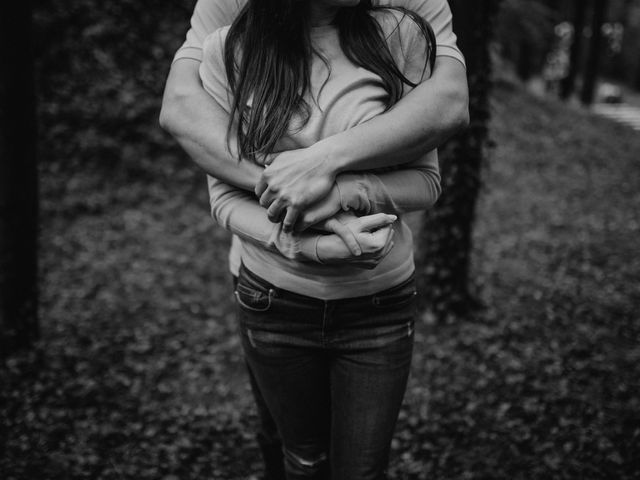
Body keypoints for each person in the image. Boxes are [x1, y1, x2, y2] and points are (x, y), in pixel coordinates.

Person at [160, 1, 468, 478]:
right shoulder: (228, 48)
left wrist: (341, 188)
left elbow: (427, 179)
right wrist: (311, 244)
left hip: (379, 307)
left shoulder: (403, 35)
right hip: (273, 301)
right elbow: (222, 195)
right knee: (302, 460)